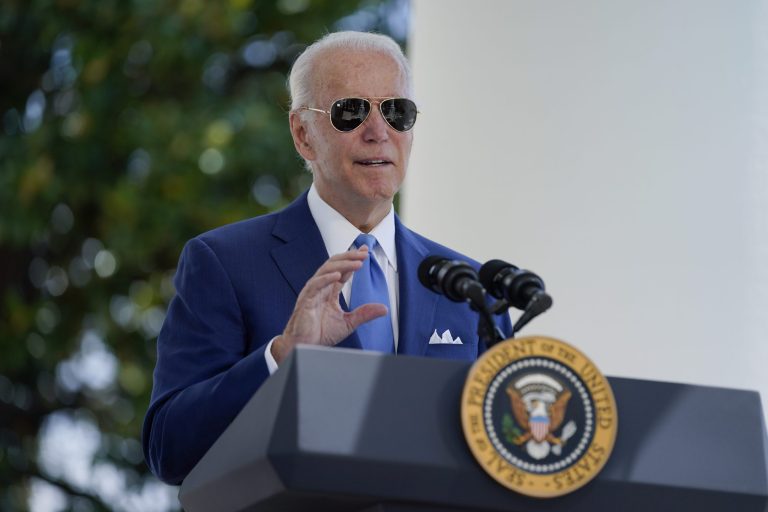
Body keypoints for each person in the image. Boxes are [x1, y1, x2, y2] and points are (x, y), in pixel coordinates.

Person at [142, 31, 512, 485]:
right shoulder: (224, 262)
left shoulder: (468, 286)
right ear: (303, 135)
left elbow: (507, 450)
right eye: (350, 111)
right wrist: (282, 357)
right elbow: (170, 447)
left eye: (396, 112)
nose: (378, 132)